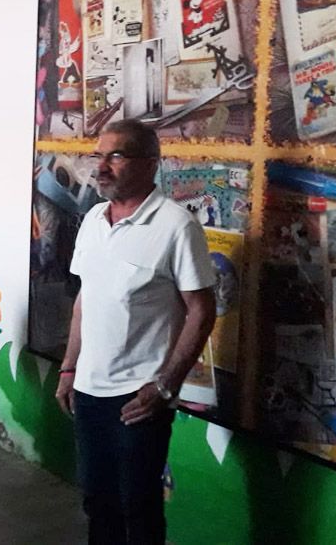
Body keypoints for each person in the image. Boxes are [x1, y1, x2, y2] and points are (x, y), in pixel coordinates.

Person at [54, 119, 217, 545]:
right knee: (97, 504)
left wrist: (166, 385)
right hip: (89, 395)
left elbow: (201, 311)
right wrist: (69, 369)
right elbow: (84, 301)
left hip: (138, 400)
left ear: (149, 164)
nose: (101, 166)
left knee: (139, 511)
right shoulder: (92, 219)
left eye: (116, 155)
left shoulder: (176, 226)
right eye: (99, 155)